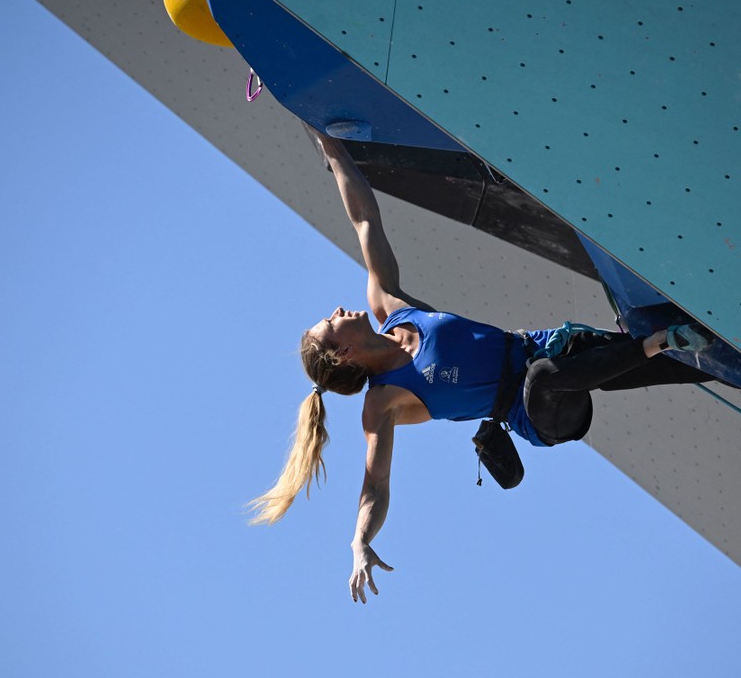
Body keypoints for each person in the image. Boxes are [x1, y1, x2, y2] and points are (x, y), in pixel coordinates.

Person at [248, 129, 714, 604]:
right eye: (330, 324)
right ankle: (656, 344)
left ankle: (701, 356)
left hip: (550, 347)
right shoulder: (383, 402)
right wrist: (359, 542)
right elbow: (376, 484)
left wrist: (332, 147)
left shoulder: (393, 307)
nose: (336, 310)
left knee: (686, 359)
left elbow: (365, 219)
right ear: (341, 354)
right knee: (546, 380)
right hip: (537, 411)